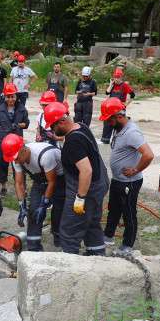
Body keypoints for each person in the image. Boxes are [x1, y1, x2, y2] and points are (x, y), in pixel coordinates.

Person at [44, 102, 109, 255]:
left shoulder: (73, 143)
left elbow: (86, 171)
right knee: (92, 223)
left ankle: (70, 262)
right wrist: (60, 138)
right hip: (99, 184)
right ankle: (97, 255)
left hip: (86, 189)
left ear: (61, 121)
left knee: (69, 229)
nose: (52, 130)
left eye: (53, 126)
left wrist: (80, 198)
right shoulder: (81, 127)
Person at [100, 98, 154, 253]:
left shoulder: (132, 133)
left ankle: (127, 245)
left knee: (128, 213)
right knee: (113, 209)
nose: (107, 123)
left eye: (109, 119)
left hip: (129, 182)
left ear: (119, 116)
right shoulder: (118, 128)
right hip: (118, 179)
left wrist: (135, 170)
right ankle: (108, 236)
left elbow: (148, 155)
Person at [2, 134, 65, 252]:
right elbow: (19, 183)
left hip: (60, 179)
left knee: (58, 210)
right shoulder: (16, 159)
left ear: (23, 149)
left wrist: (44, 204)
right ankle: (34, 247)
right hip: (40, 179)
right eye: (13, 159)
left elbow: (52, 182)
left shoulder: (45, 155)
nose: (15, 161)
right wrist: (22, 206)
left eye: (16, 158)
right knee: (33, 211)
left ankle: (58, 235)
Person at [0, 83, 29, 195]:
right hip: (2, 141)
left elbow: (26, 124)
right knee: (1, 164)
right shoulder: (0, 109)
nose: (10, 99)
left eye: (12, 96)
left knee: (19, 164)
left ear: (16, 96)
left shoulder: (22, 109)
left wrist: (18, 125)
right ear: (4, 96)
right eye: (8, 97)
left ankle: (22, 187)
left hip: (17, 141)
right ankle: (3, 186)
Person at [101, 68, 135, 144]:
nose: (116, 79)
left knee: (119, 125)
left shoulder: (125, 85)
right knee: (107, 123)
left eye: (118, 77)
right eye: (115, 77)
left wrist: (126, 104)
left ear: (121, 77)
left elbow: (133, 95)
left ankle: (118, 141)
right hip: (110, 109)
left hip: (120, 109)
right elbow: (107, 93)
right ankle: (105, 140)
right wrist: (111, 84)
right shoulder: (113, 85)